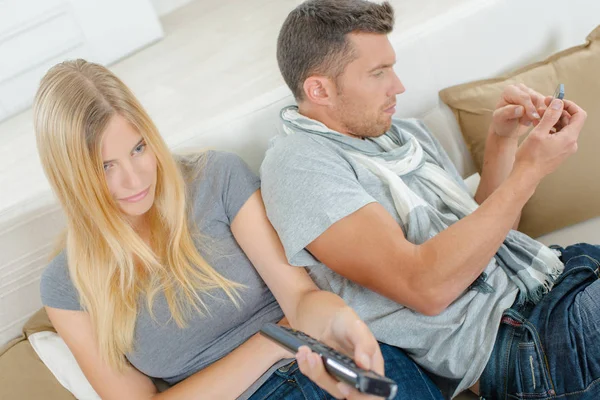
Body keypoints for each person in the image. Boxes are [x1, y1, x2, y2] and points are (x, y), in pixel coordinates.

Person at [35, 59, 443, 400]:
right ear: (71, 178)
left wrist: (341, 321)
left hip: (324, 361)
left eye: (139, 148)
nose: (134, 179)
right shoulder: (66, 285)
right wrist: (269, 343)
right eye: (105, 167)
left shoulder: (217, 178)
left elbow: (299, 297)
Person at [260, 0, 598, 399]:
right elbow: (425, 287)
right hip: (520, 340)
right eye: (378, 73)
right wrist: (530, 171)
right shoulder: (299, 164)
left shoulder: (405, 135)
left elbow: (489, 240)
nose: (398, 86)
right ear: (319, 89)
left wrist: (503, 140)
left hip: (557, 276)